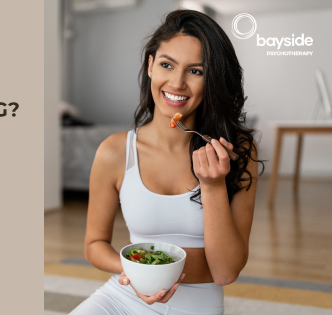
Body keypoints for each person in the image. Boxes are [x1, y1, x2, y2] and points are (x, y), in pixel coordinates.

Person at [69, 9, 264, 315]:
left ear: (211, 79)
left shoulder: (235, 152)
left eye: (196, 71)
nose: (176, 83)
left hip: (196, 304)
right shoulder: (115, 151)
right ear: (150, 66)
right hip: (123, 295)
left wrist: (212, 186)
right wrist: (134, 274)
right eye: (166, 65)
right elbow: (94, 244)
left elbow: (226, 273)